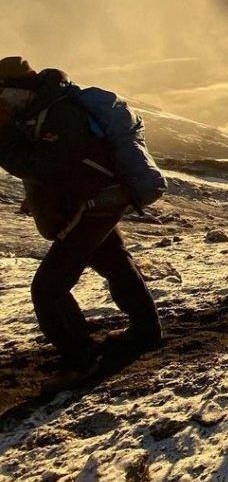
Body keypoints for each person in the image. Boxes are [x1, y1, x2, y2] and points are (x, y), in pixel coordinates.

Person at [0, 57, 161, 390]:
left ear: (18, 90)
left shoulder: (60, 115)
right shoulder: (41, 112)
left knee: (48, 288)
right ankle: (146, 330)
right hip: (97, 202)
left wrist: (2, 138)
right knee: (113, 261)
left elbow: (47, 165)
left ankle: (81, 360)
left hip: (92, 206)